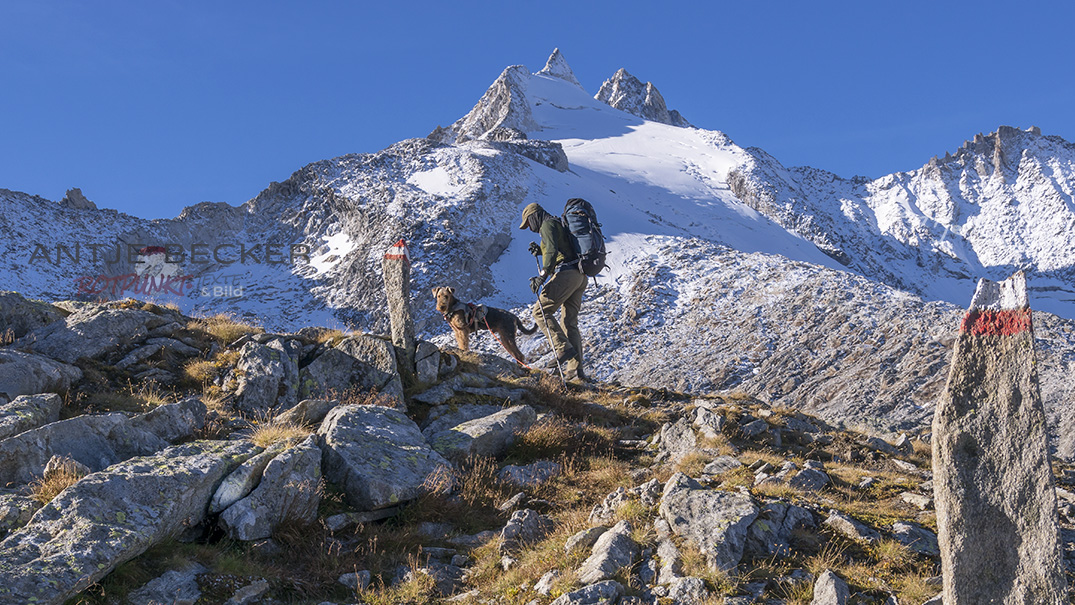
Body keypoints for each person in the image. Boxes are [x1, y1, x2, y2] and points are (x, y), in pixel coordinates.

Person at [518, 202, 589, 382]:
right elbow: (558, 247)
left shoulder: (547, 225)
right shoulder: (556, 222)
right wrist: (540, 251)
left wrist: (542, 275)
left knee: (540, 311)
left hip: (566, 274)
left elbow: (551, 250)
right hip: (579, 276)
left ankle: (562, 348)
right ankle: (576, 371)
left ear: (534, 216)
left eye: (528, 223)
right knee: (569, 322)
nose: (530, 228)